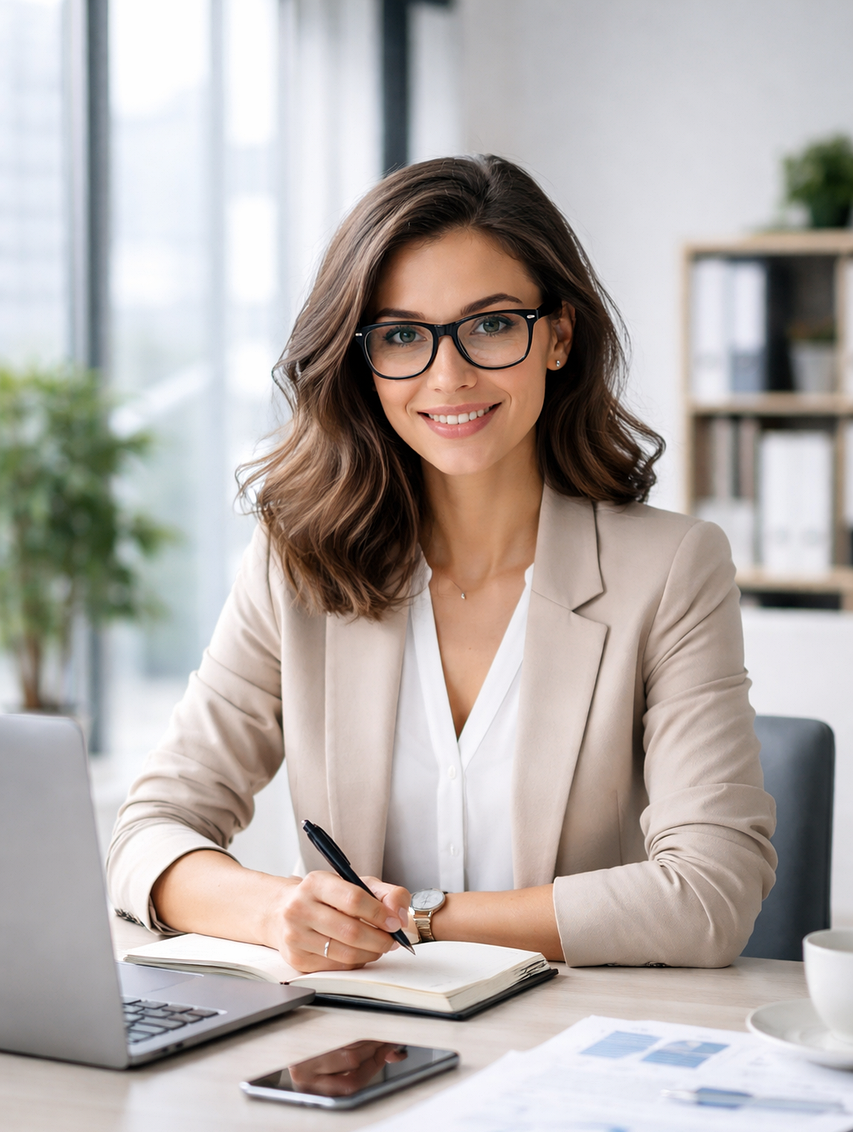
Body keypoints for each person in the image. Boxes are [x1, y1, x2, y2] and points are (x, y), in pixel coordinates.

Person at [107, 155, 776, 973]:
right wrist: (279, 910)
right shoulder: (298, 563)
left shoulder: (671, 570)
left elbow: (709, 895)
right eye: (400, 336)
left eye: (491, 324)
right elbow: (148, 833)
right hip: (353, 1047)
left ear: (557, 336)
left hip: (572, 1043)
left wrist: (419, 920)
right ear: (362, 359)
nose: (447, 375)